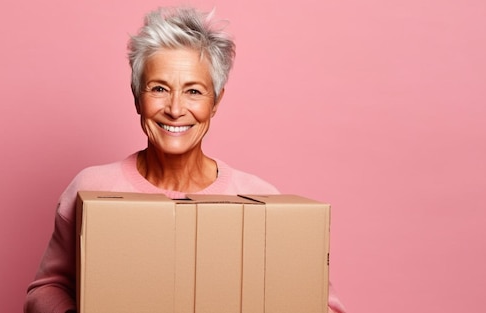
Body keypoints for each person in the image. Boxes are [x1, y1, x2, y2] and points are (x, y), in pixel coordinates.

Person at [24, 6, 346, 313]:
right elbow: (44, 290)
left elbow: (324, 305)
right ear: (137, 95)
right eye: (159, 88)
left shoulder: (263, 202)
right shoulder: (90, 188)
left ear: (215, 102)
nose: (175, 109)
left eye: (193, 91)